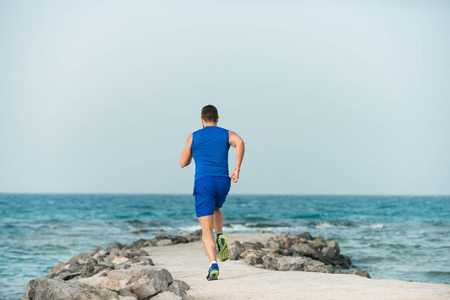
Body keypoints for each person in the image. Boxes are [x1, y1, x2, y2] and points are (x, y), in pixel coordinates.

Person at [179, 105, 245, 281]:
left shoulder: (194, 136)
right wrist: (237, 168)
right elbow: (240, 142)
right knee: (216, 209)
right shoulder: (226, 133)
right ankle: (220, 234)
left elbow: (182, 163)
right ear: (217, 119)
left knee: (205, 229)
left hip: (204, 182)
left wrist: (193, 148)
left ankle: (213, 264)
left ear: (201, 120)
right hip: (223, 181)